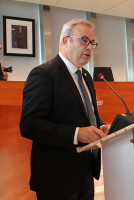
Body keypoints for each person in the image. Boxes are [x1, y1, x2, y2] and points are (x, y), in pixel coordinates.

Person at [20, 19, 110, 199]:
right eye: (84, 40)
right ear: (65, 41)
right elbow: (29, 124)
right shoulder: (43, 74)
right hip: (56, 178)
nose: (89, 47)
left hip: (85, 172)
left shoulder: (85, 76)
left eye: (92, 43)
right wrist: (76, 134)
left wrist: (100, 127)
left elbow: (84, 114)